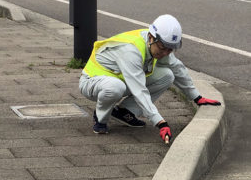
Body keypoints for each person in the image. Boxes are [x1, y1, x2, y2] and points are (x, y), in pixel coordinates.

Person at [79, 14, 221, 142]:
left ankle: (125, 112)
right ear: (151, 38)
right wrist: (160, 122)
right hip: (93, 82)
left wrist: (196, 97)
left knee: (167, 75)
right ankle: (100, 118)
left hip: (120, 80)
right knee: (116, 88)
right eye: (162, 48)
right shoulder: (131, 51)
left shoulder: (158, 44)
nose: (165, 53)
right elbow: (140, 90)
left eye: (169, 49)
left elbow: (177, 67)